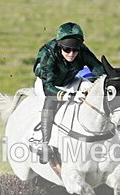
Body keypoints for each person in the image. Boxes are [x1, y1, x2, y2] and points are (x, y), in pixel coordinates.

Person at [33, 22, 106, 164]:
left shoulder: (82, 50)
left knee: (89, 85)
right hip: (47, 84)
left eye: (75, 50)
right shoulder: (48, 53)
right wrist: (69, 96)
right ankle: (44, 143)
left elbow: (99, 70)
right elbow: (48, 87)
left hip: (71, 80)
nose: (71, 53)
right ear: (60, 45)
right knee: (51, 101)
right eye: (67, 49)